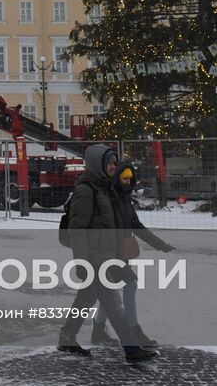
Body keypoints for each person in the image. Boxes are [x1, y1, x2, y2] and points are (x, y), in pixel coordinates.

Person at [56, 143, 157, 364]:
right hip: (94, 258)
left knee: (86, 298)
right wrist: (81, 261)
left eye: (114, 162)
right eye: (109, 162)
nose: (114, 166)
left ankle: (67, 336)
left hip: (106, 255)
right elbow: (78, 229)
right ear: (97, 164)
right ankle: (131, 349)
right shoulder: (86, 190)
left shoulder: (104, 187)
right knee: (113, 302)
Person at [89, 161, 174, 347]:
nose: (128, 181)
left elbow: (137, 225)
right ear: (117, 178)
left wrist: (160, 244)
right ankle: (135, 331)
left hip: (122, 252)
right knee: (130, 284)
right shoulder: (108, 198)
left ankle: (98, 330)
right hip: (108, 253)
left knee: (110, 291)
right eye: (124, 178)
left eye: (130, 178)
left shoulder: (125, 198)